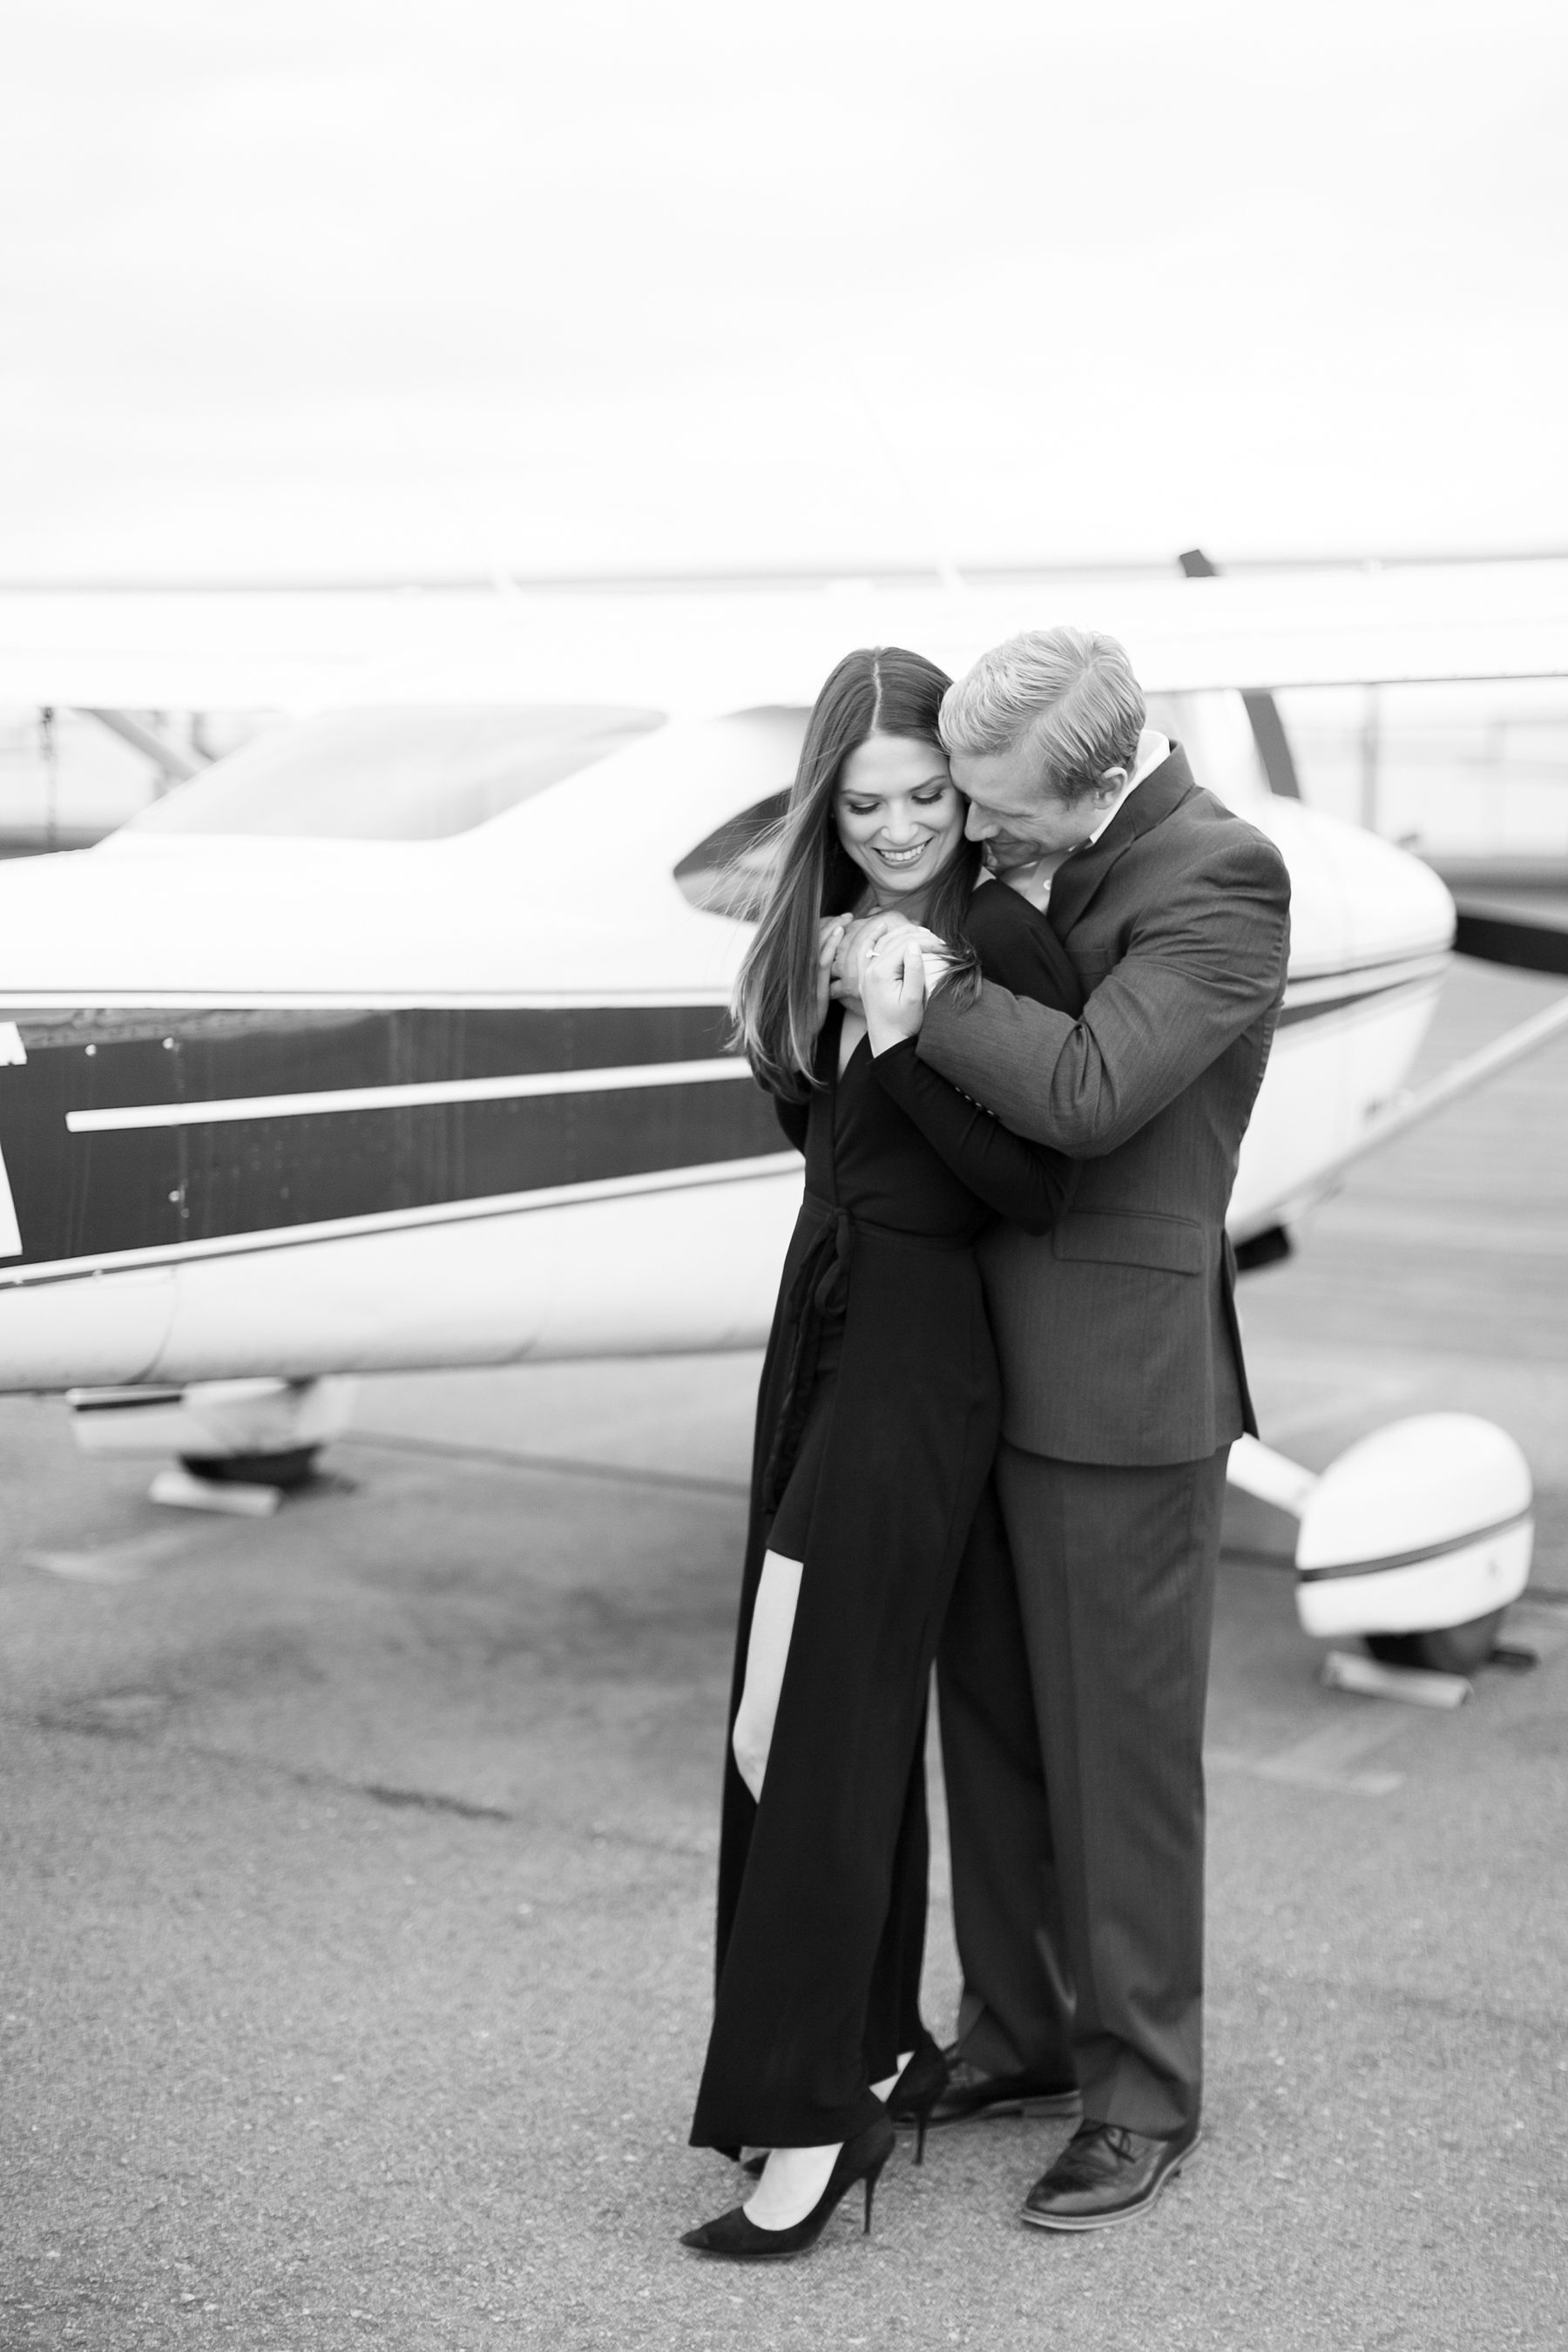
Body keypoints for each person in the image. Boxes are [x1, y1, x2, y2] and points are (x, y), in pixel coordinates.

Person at [835, 626, 1290, 2232]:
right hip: (982, 1367)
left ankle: (1144, 2092)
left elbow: (1093, 1092)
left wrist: (928, 982)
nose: (977, 827)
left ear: (1102, 773)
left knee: (1121, 1767)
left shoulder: (1221, 879)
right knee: (1005, 1742)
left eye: (999, 804)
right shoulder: (1059, 846)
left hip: (1118, 1386)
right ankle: (1021, 2032)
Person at [682, 645, 1083, 2261]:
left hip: (918, 1371)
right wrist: (849, 992)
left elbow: (1036, 1186)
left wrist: (915, 1035)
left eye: (932, 795)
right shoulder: (821, 932)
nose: (908, 824)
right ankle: (885, 2044)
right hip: (823, 1342)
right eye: (870, 802)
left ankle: (812, 2118)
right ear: (825, 807)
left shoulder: (992, 935)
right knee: (776, 1723)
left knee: (819, 1732)